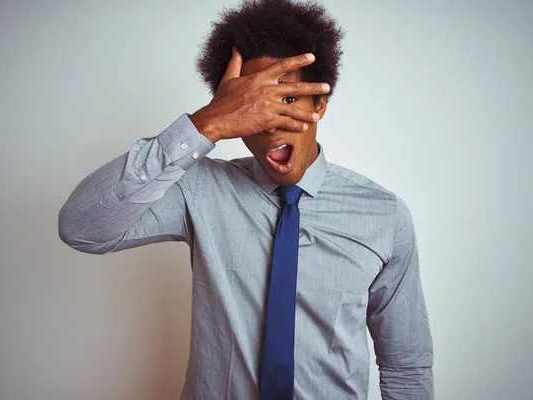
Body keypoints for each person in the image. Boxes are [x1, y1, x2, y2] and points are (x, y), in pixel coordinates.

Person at [58, 0, 434, 398]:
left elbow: (405, 362)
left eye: (287, 99)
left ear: (319, 105)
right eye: (252, 105)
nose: (269, 121)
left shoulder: (384, 215)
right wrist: (206, 123)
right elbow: (81, 229)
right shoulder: (198, 188)